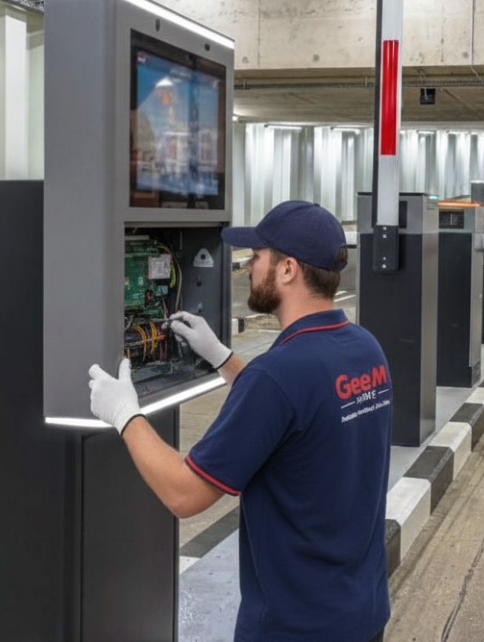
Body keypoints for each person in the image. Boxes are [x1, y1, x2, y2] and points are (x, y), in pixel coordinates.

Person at [88, 200, 392, 642]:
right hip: (363, 613)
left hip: (294, 629)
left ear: (287, 269)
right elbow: (298, 408)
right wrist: (222, 358)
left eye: (257, 256)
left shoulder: (277, 376)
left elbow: (184, 494)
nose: (247, 266)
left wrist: (124, 414)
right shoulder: (366, 348)